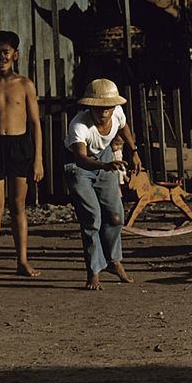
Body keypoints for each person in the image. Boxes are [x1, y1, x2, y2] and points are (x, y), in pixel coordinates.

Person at [0, 30, 43, 278]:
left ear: (15, 54)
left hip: (20, 147)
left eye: (6, 52)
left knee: (18, 205)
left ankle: (22, 260)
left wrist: (38, 160)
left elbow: (35, 123)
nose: (1, 57)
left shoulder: (25, 84)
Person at [64, 78, 142, 290]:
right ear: (90, 106)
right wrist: (104, 166)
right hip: (79, 165)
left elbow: (124, 127)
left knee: (116, 216)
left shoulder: (117, 113)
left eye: (108, 107)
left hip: (106, 158)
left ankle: (113, 260)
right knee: (92, 218)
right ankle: (94, 270)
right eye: (98, 108)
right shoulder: (79, 125)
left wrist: (133, 151)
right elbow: (80, 158)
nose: (104, 112)